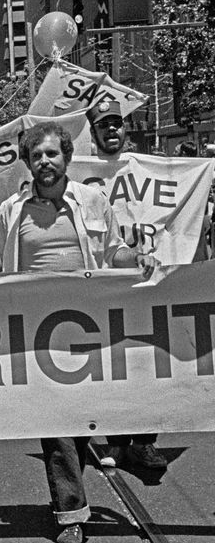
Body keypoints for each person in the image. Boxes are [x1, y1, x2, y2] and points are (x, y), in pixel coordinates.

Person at [0, 122, 160, 543]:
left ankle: (99, 467)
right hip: (37, 332)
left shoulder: (94, 202)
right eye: (36, 155)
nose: (45, 162)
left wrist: (138, 257)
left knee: (82, 415)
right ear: (28, 163)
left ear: (67, 158)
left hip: (91, 327)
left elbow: (114, 251)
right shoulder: (11, 210)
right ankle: (71, 512)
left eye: (52, 154)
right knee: (58, 421)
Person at [85, 101, 168, 471]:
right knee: (113, 361)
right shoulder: (78, 174)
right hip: (104, 283)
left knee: (148, 361)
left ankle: (145, 442)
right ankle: (117, 441)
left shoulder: (151, 167)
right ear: (93, 133)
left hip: (149, 281)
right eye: (104, 125)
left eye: (117, 123)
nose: (112, 130)